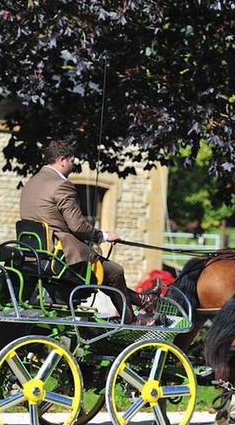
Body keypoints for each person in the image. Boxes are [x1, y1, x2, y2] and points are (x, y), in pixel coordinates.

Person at [19, 139, 161, 324]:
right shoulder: (61, 185)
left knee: (103, 271)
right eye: (72, 161)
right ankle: (131, 318)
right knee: (114, 271)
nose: (74, 165)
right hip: (61, 258)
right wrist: (103, 236)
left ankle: (143, 300)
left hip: (35, 256)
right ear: (62, 160)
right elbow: (78, 226)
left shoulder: (31, 183)